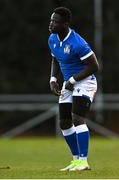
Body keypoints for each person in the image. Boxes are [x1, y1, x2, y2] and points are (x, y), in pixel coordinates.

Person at [48, 7, 99, 171]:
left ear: (65, 24)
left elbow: (94, 66)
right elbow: (55, 59)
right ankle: (76, 160)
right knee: (64, 122)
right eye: (51, 20)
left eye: (55, 21)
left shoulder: (77, 43)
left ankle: (84, 162)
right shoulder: (52, 39)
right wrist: (53, 79)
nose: (51, 24)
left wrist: (72, 80)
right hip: (68, 83)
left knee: (77, 119)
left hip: (85, 81)